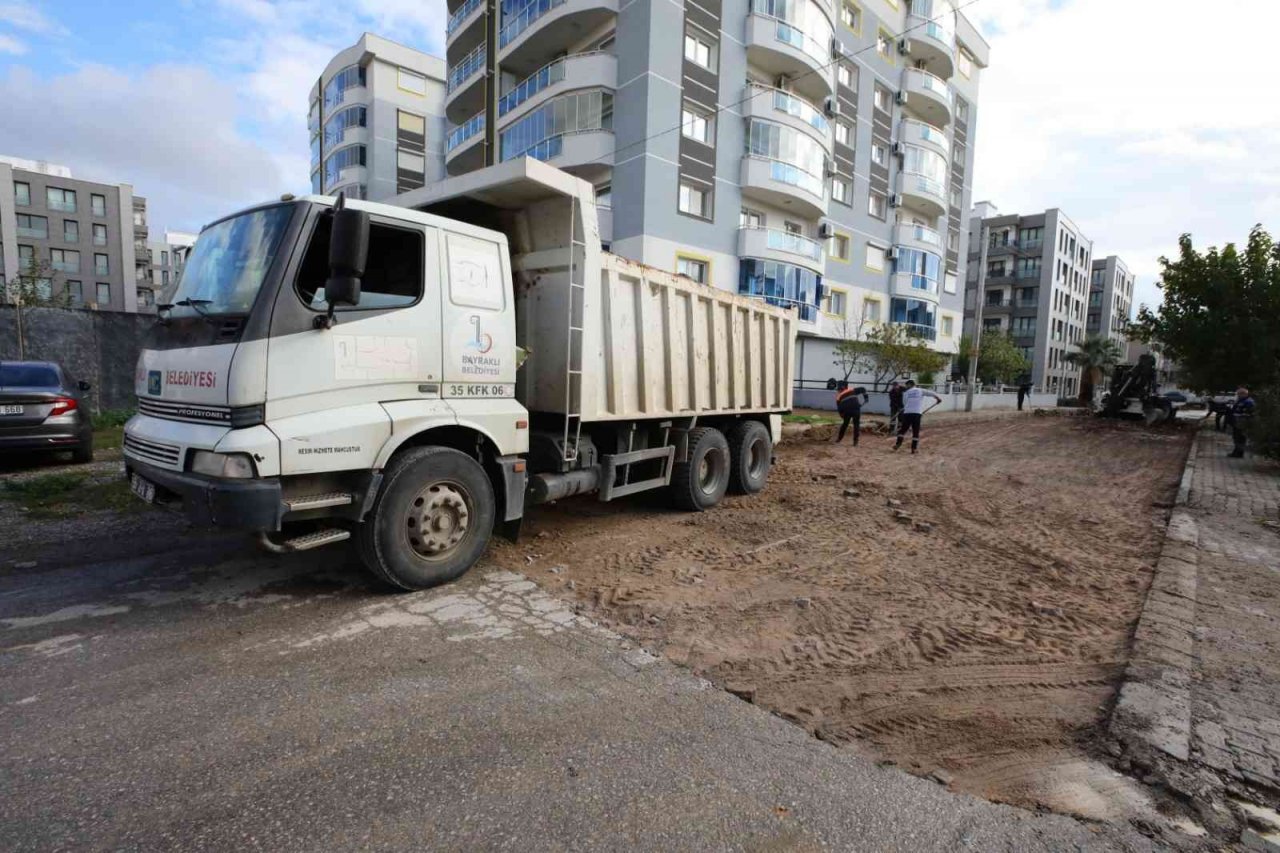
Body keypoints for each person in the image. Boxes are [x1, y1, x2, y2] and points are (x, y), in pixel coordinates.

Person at [894, 380, 942, 454]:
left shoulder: (906, 393)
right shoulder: (920, 390)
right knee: (915, 431)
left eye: (907, 385)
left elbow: (904, 403)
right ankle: (914, 448)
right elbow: (932, 393)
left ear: (910, 385)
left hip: (907, 413)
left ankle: (898, 443)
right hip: (916, 413)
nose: (906, 387)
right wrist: (938, 399)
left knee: (903, 430)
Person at [1228, 387, 1256, 458]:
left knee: (1240, 438)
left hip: (1242, 423)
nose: (1238, 395)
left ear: (1243, 394)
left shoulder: (1249, 402)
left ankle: (1239, 453)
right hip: (1237, 422)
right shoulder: (1241, 400)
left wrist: (1240, 417)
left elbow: (1249, 413)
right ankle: (1236, 452)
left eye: (1239, 394)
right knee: (1236, 438)